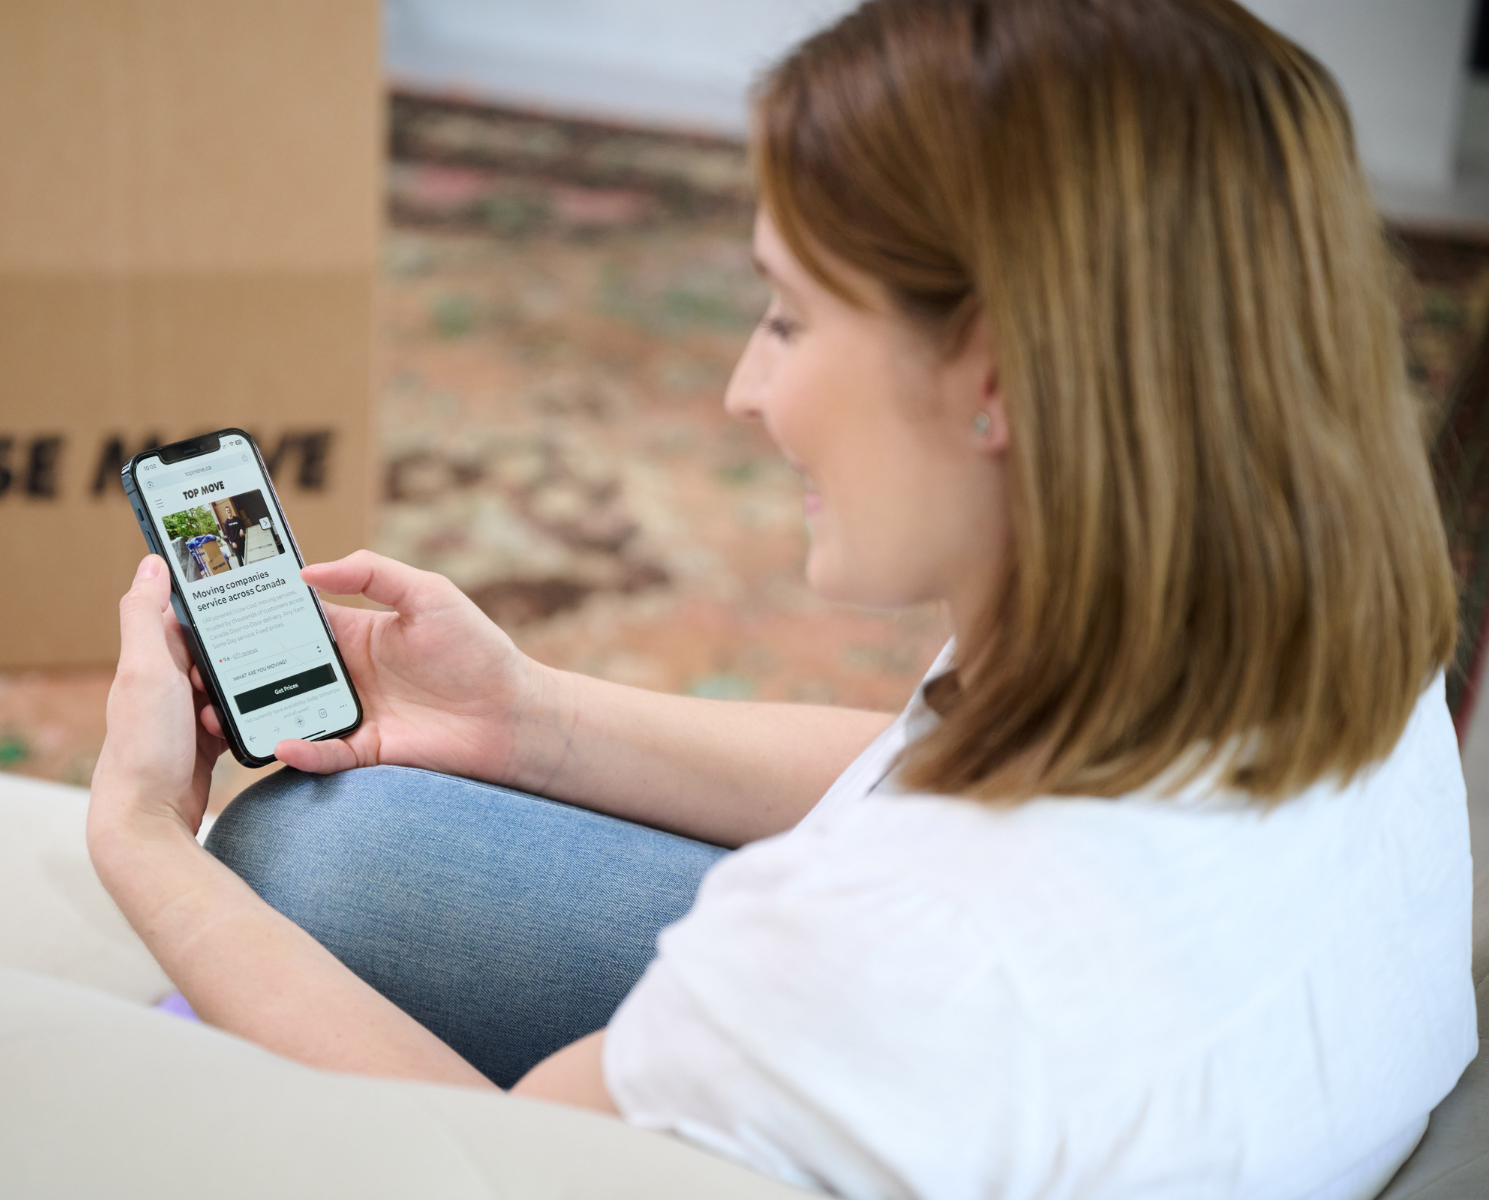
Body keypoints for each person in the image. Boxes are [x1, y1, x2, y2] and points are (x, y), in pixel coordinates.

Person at [86, 1, 1474, 1196]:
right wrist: (529, 719)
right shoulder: (1324, 625)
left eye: (791, 318)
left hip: (930, 1048)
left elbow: (492, 1174)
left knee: (245, 883)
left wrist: (144, 835)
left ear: (992, 373)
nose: (747, 389)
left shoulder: (873, 958)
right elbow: (917, 772)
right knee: (326, 851)